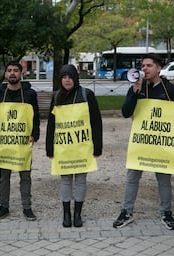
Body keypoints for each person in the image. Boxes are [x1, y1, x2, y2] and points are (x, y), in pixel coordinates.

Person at [113, 53, 174, 230]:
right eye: (143, 66)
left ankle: (166, 213)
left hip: (161, 143)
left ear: (158, 68)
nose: (144, 68)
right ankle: (126, 212)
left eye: (149, 65)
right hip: (141, 141)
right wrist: (134, 93)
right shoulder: (137, 88)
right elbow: (126, 112)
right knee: (132, 178)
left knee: (164, 179)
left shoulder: (170, 90)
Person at [46, 64, 103, 227]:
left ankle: (78, 213)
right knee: (65, 180)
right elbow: (51, 124)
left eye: (70, 76)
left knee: (80, 180)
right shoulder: (57, 97)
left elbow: (96, 122)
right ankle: (66, 214)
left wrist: (97, 145)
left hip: (82, 146)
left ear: (75, 78)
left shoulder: (87, 95)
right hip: (63, 148)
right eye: (64, 77)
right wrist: (49, 148)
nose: (67, 80)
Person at [0, 61, 40, 221]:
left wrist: (34, 135)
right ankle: (3, 206)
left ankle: (27, 207)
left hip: (23, 142)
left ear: (21, 73)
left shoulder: (29, 94)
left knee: (25, 175)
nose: (12, 73)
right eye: (9, 70)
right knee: (4, 176)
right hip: (3, 142)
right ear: (5, 74)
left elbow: (35, 116)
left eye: (15, 70)